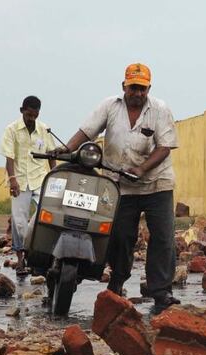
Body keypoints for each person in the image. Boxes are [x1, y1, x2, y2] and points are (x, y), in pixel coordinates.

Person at [61, 63, 180, 310]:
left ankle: (161, 292)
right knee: (120, 236)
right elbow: (87, 131)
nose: (137, 93)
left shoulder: (159, 109)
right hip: (120, 184)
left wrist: (142, 168)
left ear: (149, 88)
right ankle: (117, 282)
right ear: (124, 86)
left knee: (163, 238)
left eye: (142, 89)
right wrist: (67, 149)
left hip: (157, 183)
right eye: (133, 88)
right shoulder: (110, 106)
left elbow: (165, 146)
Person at [0, 95, 56, 276]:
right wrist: (13, 180)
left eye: (34, 115)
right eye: (28, 115)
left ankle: (48, 256)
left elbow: (51, 156)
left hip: (41, 180)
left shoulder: (44, 130)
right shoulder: (12, 130)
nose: (31, 118)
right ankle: (21, 259)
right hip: (20, 182)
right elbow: (10, 157)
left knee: (49, 216)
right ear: (22, 111)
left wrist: (55, 177)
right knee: (18, 221)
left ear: (38, 113)